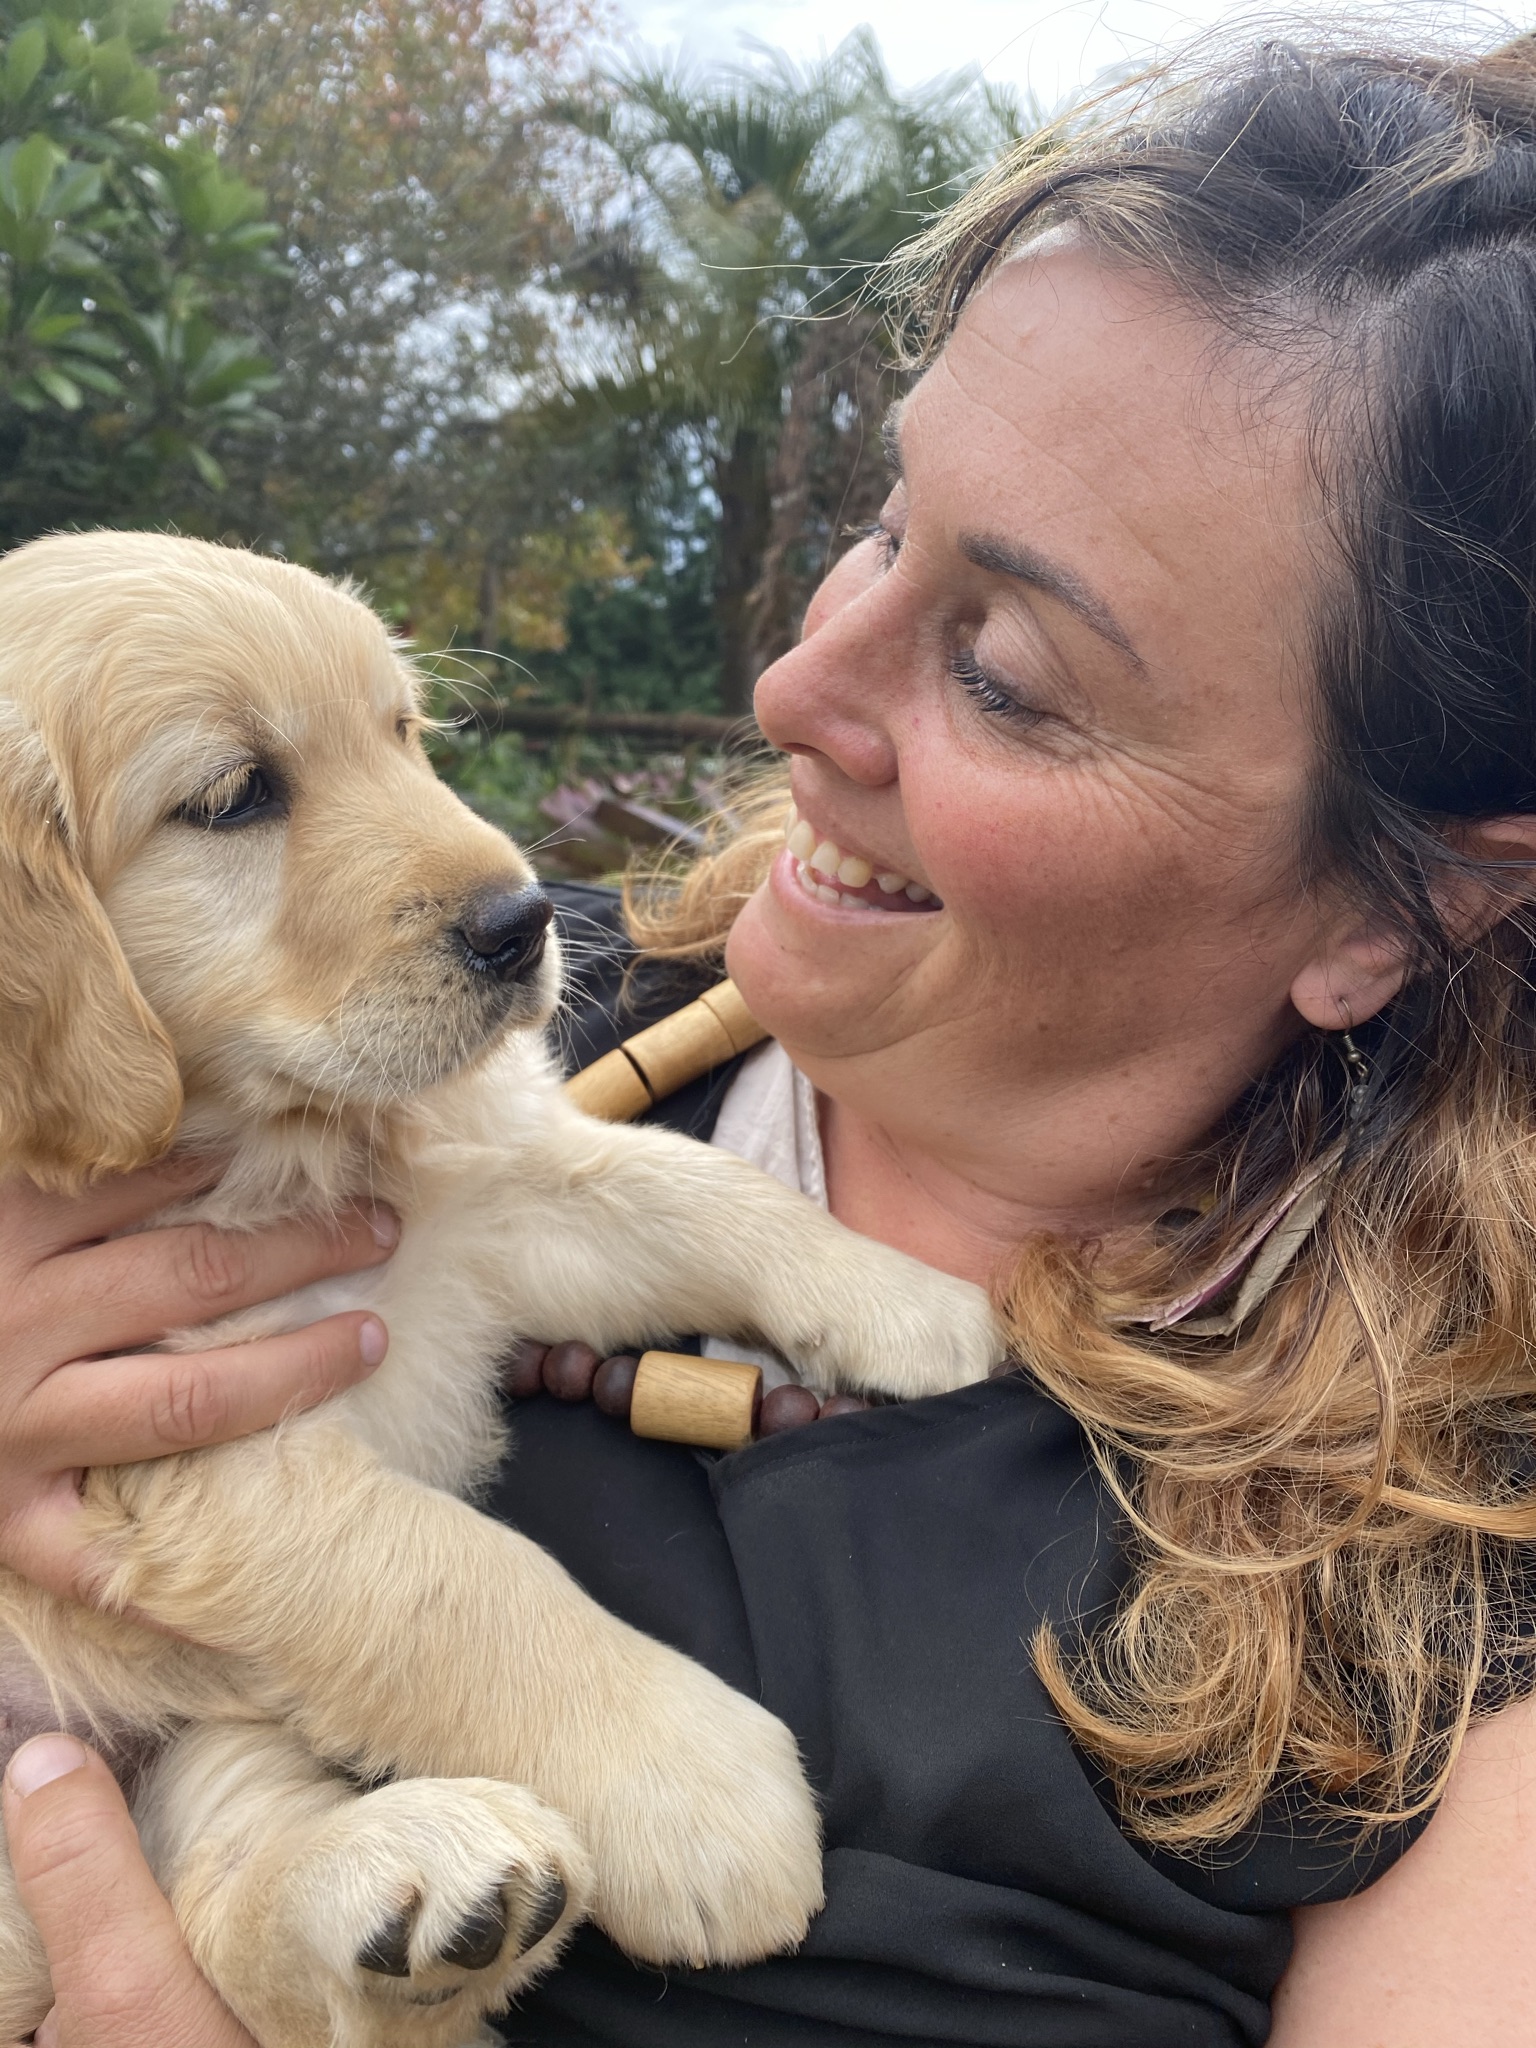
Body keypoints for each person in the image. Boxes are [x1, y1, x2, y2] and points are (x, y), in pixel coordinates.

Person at [7, 33, 1536, 2046]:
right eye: (887, 529)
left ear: (1391, 903)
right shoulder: (486, 1028)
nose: (794, 681)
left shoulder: (1450, 1578)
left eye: (1003, 670)